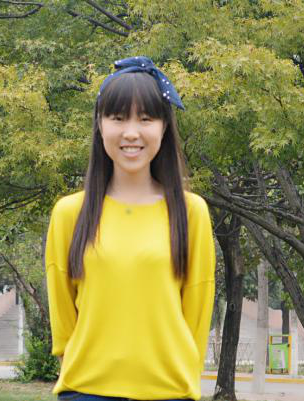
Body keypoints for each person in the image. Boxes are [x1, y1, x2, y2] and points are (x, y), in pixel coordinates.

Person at [45, 56, 216, 401]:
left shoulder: (191, 212)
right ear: (100, 124)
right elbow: (63, 321)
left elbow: (196, 315)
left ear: (164, 127)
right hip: (85, 392)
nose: (132, 132)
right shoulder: (69, 213)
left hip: (170, 393)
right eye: (118, 118)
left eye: (146, 118)